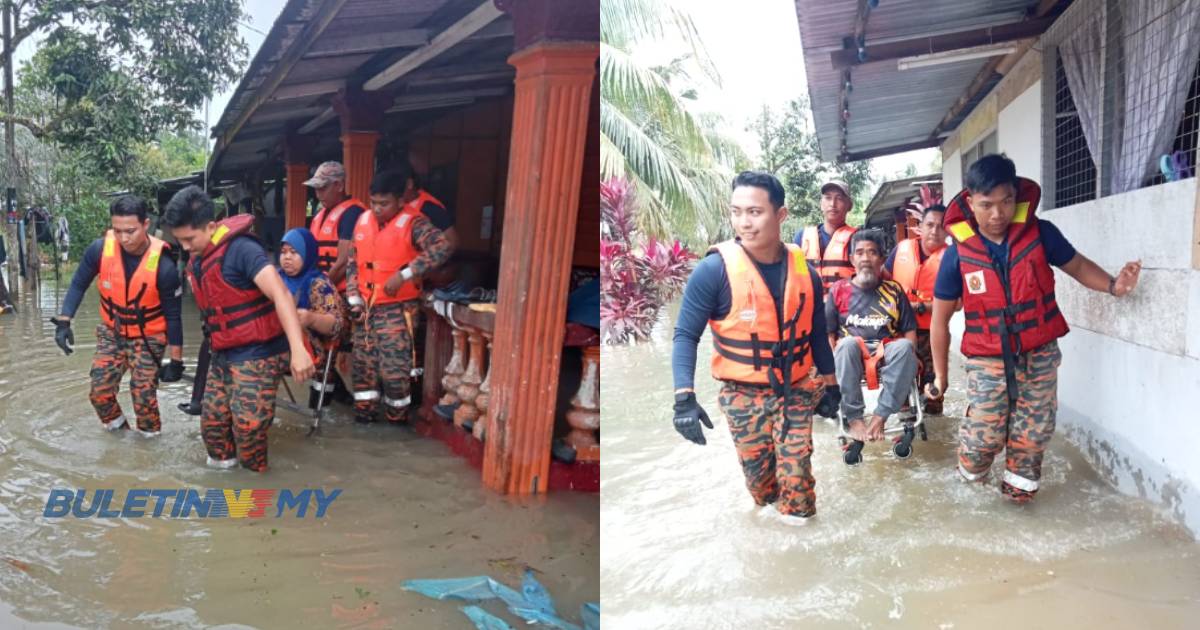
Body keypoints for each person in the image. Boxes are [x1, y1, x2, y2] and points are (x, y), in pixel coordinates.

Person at [928, 154, 1142, 503]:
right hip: (987, 360)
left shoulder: (1041, 233)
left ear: (1016, 196)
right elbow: (939, 322)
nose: (998, 214)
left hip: (1039, 354)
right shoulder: (957, 255)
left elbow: (1077, 265)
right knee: (984, 436)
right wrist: (941, 376)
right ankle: (968, 497)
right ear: (970, 202)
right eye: (987, 205)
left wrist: (1114, 286)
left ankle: (1017, 504)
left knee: (1032, 436)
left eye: (1006, 202)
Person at [671, 171, 837, 519]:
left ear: (780, 215)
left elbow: (817, 332)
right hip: (742, 395)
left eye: (755, 212)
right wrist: (684, 399)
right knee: (763, 492)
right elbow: (686, 335)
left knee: (797, 480)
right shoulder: (712, 271)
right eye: (736, 212)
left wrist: (832, 386)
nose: (744, 223)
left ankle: (800, 550)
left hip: (795, 389)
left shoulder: (807, 273)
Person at [162, 185, 315, 472]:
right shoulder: (198, 259)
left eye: (189, 238)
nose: (184, 246)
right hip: (224, 355)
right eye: (179, 239)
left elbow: (280, 294)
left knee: (249, 428)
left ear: (210, 226)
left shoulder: (243, 250)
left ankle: (257, 485)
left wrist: (298, 350)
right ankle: (226, 490)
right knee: (213, 426)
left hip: (258, 352)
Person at [51, 195, 185, 436]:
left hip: (148, 336)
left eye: (131, 231)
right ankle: (120, 436)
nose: (124, 238)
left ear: (146, 225)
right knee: (99, 392)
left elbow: (174, 317)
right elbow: (79, 283)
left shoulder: (164, 267)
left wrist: (176, 361)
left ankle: (149, 444)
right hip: (112, 333)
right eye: (118, 230)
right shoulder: (99, 249)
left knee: (143, 397)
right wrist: (64, 321)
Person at [346, 170, 453, 425]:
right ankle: (364, 421)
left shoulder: (415, 223)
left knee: (395, 375)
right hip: (365, 313)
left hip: (397, 310)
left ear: (400, 201)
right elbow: (353, 262)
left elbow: (443, 246)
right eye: (374, 202)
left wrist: (405, 274)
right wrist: (354, 299)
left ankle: (397, 425)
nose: (378, 208)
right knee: (362, 373)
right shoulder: (362, 221)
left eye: (384, 203)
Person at [823, 229, 919, 443]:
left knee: (905, 347)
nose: (866, 258)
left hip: (887, 350)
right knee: (845, 344)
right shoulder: (838, 290)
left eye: (872, 252)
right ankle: (854, 418)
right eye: (860, 253)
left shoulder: (894, 290)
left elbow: (909, 329)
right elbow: (829, 334)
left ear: (882, 259)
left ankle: (880, 417)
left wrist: (912, 357)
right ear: (851, 259)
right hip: (851, 353)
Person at [884, 204, 949, 414]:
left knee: (934, 395)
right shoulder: (901, 249)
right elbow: (883, 279)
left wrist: (918, 306)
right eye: (929, 224)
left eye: (941, 226)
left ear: (948, 230)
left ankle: (936, 441)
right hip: (901, 334)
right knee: (902, 391)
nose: (934, 231)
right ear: (920, 226)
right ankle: (904, 434)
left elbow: (957, 304)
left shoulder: (951, 258)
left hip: (933, 336)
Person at [277, 227, 348, 408]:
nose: (287, 257)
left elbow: (338, 325)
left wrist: (311, 318)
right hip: (278, 345)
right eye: (283, 252)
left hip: (314, 351)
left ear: (307, 254)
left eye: (294, 252)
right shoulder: (275, 279)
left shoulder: (319, 285)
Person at [796, 179, 858, 292]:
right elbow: (796, 274)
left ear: (849, 205)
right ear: (821, 204)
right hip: (811, 306)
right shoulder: (802, 237)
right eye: (828, 197)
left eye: (839, 198)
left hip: (844, 307)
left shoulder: (857, 239)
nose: (832, 204)